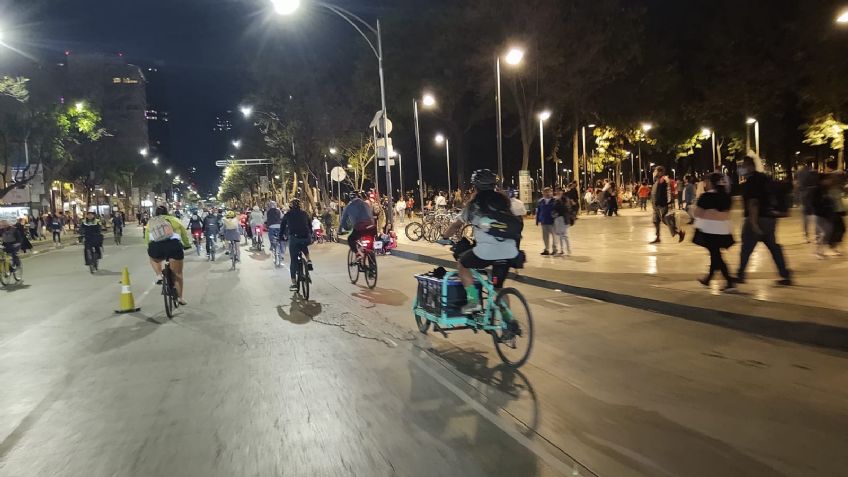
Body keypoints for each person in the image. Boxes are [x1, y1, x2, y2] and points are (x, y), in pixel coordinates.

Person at [439, 169, 520, 314]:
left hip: (486, 252)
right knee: (498, 288)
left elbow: (456, 225)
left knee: (463, 264)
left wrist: (445, 236)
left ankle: (473, 301)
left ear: (475, 186)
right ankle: (509, 323)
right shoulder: (504, 202)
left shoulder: (474, 206)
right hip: (509, 251)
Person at [735, 155, 792, 285]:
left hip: (757, 219)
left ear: (749, 166)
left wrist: (754, 224)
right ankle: (785, 274)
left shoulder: (751, 182)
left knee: (746, 248)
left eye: (742, 166)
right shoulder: (765, 178)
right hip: (769, 218)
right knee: (773, 247)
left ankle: (740, 274)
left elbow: (753, 202)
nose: (741, 169)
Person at [692, 173, 735, 290]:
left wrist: (708, 213)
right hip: (724, 230)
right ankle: (709, 278)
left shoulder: (705, 197)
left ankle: (729, 280)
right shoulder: (726, 196)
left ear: (711, 183)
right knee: (715, 254)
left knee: (716, 255)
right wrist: (716, 214)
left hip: (709, 231)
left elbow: (697, 213)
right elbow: (726, 214)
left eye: (707, 182)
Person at [145, 206, 191, 305]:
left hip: (156, 246)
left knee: (153, 258)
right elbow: (184, 234)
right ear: (167, 212)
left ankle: (159, 275)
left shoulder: (151, 222)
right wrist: (187, 245)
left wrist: (149, 247)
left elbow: (147, 238)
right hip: (173, 246)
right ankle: (180, 298)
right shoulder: (175, 220)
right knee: (178, 274)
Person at [812, 167, 846, 258]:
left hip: (828, 213)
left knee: (829, 232)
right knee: (826, 232)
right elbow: (816, 202)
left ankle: (823, 250)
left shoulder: (827, 188)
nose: (829, 181)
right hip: (823, 214)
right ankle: (822, 251)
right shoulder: (820, 189)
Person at [280, 198, 313, 291]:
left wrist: (281, 237)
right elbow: (310, 226)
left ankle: (294, 283)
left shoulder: (287, 215)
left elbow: (282, 227)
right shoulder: (305, 213)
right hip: (306, 238)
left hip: (294, 238)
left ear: (290, 206)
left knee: (293, 261)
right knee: (303, 245)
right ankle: (309, 260)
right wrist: (310, 234)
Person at [650, 166, 685, 244]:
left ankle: (679, 233)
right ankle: (657, 237)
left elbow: (669, 192)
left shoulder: (665, 180)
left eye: (656, 171)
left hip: (663, 204)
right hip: (656, 205)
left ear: (661, 172)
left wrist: (668, 203)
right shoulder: (657, 180)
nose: (655, 172)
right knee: (655, 221)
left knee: (666, 221)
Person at [340, 191, 375, 257]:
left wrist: (340, 230)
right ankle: (372, 264)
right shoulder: (366, 204)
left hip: (359, 227)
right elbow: (371, 215)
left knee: (351, 239)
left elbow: (343, 220)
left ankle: (357, 253)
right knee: (370, 246)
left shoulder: (348, 207)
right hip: (371, 226)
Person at [796, 162, 820, 243]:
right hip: (813, 196)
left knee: (805, 217)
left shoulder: (799, 172)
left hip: (804, 197)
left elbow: (799, 186)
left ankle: (806, 236)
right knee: (816, 217)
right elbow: (817, 184)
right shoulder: (813, 172)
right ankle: (817, 236)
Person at [535, 187, 557, 255]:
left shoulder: (555, 201)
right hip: (544, 221)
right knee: (545, 236)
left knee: (554, 236)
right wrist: (537, 220)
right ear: (543, 193)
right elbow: (538, 211)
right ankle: (546, 249)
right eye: (545, 192)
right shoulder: (540, 201)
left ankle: (554, 249)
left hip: (552, 222)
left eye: (549, 192)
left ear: (551, 193)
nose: (547, 193)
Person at [552, 189, 572, 256]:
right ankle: (562, 250)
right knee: (559, 235)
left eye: (559, 191)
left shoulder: (565, 199)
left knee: (564, 235)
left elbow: (566, 208)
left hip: (564, 219)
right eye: (557, 191)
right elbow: (553, 208)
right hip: (557, 219)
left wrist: (558, 212)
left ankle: (568, 250)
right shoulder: (555, 199)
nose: (558, 192)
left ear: (562, 192)